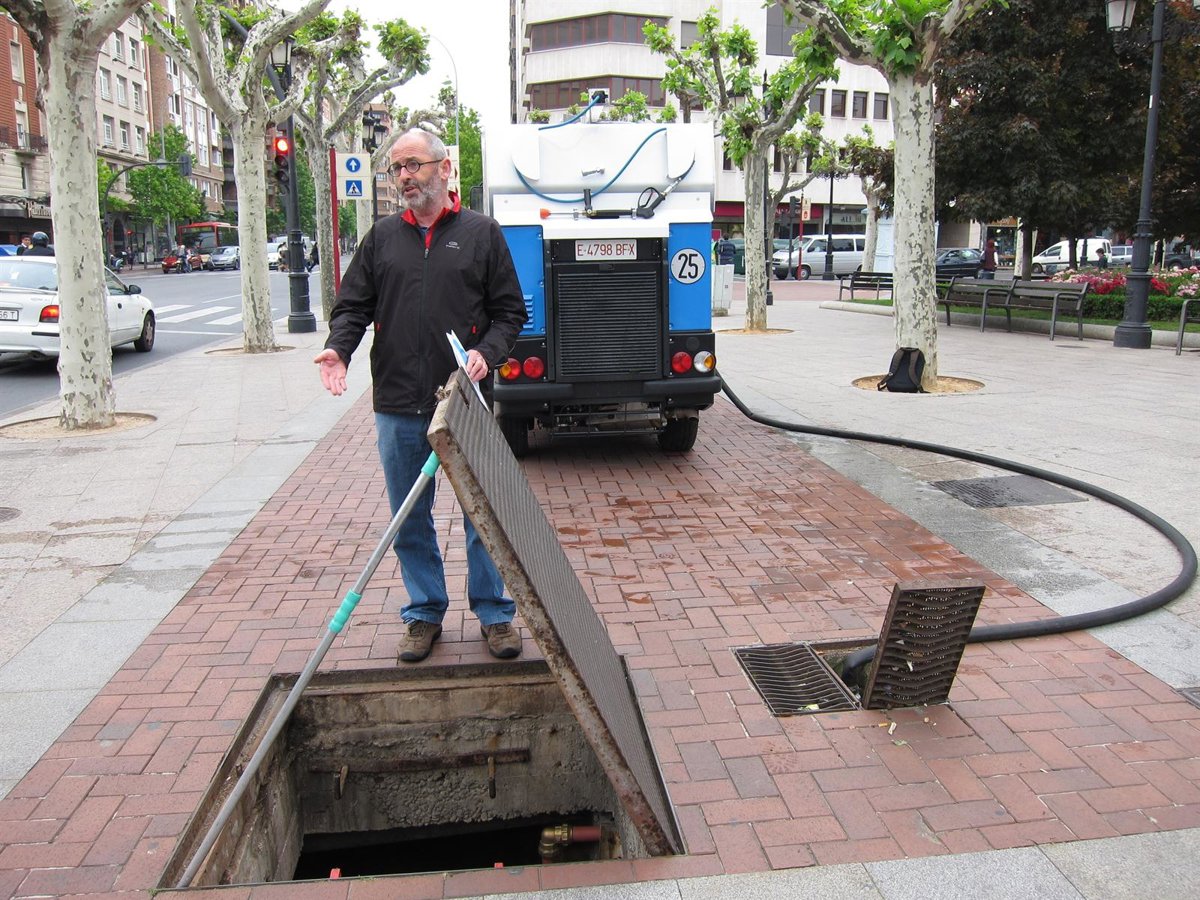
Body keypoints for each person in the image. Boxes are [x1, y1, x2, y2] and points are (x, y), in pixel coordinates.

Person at [314, 128, 528, 664]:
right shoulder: (382, 238)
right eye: (397, 168)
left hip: (464, 401)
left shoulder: (481, 234)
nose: (405, 177)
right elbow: (352, 306)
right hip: (397, 402)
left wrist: (487, 353)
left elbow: (510, 313)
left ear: (444, 168)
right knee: (409, 516)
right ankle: (425, 611)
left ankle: (494, 613)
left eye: (414, 165)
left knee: (483, 513)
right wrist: (339, 349)